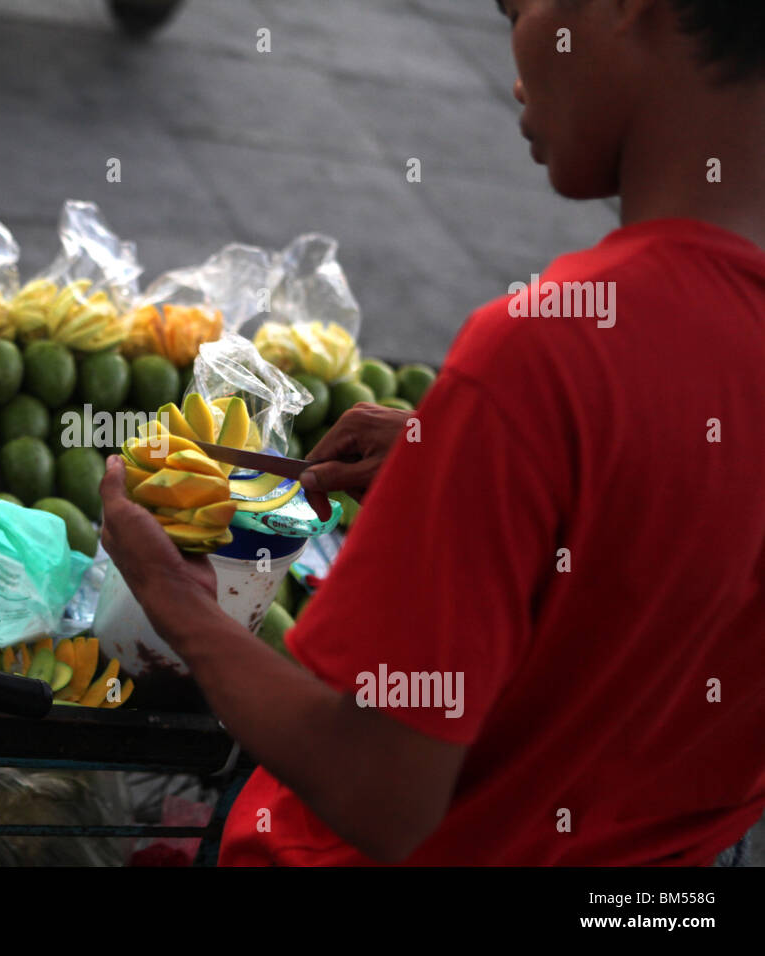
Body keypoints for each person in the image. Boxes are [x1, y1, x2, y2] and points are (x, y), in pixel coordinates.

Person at [98, 0, 765, 865]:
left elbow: (379, 792)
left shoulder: (550, 348)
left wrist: (177, 602)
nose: (520, 68)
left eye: (518, 7)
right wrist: (474, 460)